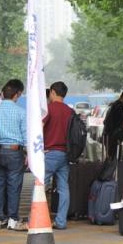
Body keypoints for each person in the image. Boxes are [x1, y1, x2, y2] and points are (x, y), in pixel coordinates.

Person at [0, 79, 26, 230]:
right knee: (14, 186)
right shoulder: (21, 112)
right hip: (14, 152)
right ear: (17, 94)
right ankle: (12, 219)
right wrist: (29, 154)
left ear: (3, 93)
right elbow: (26, 135)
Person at [43, 81, 72, 230]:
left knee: (40, 186)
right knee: (63, 188)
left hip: (50, 153)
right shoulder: (69, 111)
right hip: (65, 154)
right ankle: (61, 222)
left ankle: (36, 219)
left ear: (53, 92)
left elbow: (40, 126)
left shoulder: (49, 109)